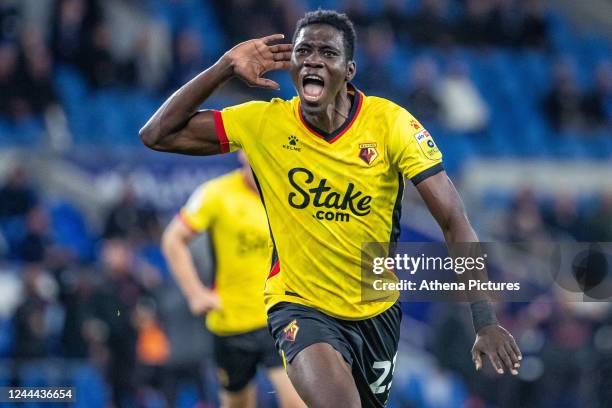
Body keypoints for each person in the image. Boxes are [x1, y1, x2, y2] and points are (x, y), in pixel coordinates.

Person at [141, 10, 521, 407]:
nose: (313, 60)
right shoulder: (264, 122)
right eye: (303, 51)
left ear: (349, 69)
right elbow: (156, 134)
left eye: (328, 52)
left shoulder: (391, 125)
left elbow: (454, 221)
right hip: (298, 306)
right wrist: (223, 68)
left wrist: (485, 319)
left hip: (375, 310)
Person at [161, 152, 304, 408]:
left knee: (297, 401)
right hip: (231, 323)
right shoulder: (215, 194)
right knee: (238, 403)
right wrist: (195, 293)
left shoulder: (291, 194)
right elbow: (173, 239)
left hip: (280, 319)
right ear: (243, 156)